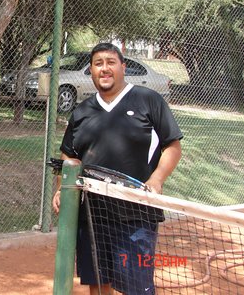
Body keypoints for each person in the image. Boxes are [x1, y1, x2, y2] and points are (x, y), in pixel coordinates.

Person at [52, 43, 182, 295]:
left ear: (123, 67)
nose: (105, 68)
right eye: (98, 63)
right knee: (99, 283)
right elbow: (70, 155)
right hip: (92, 214)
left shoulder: (148, 100)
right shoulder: (82, 111)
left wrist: (157, 179)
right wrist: (62, 189)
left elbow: (173, 146)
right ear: (90, 70)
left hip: (137, 215)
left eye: (111, 62)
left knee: (137, 288)